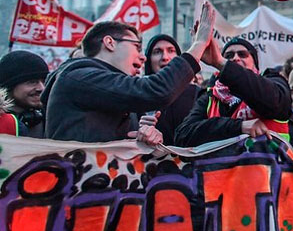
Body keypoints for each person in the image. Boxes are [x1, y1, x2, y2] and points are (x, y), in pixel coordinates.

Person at [42, 20, 213, 143]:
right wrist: (199, 45)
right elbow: (156, 90)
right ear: (109, 43)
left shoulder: (100, 85)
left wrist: (142, 135)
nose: (142, 57)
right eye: (137, 47)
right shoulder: (80, 77)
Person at [174, 37, 291, 146]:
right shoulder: (211, 96)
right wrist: (238, 127)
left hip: (271, 166)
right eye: (228, 56)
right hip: (219, 167)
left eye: (242, 54)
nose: (235, 58)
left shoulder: (273, 82)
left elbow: (275, 102)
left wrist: (221, 63)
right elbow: (183, 136)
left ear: (254, 62)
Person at [143, 34, 200, 146]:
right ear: (148, 60)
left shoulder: (197, 93)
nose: (165, 57)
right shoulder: (138, 95)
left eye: (171, 51)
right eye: (157, 52)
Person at [0, 50, 49, 137]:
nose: (41, 88)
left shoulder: (50, 120)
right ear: (9, 86)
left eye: (44, 81)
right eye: (32, 82)